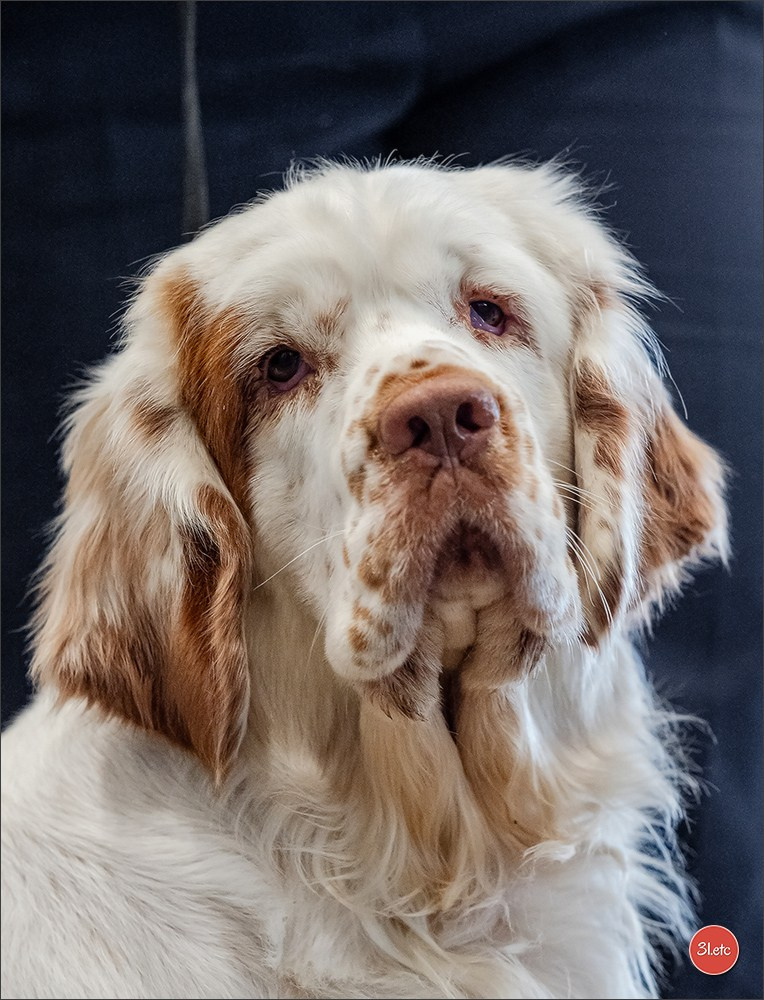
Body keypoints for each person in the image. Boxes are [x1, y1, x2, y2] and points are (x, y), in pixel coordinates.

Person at [2, 4, 760, 996]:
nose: (435, 406)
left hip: (605, 19)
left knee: (714, 679)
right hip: (155, 36)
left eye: (488, 314)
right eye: (283, 369)